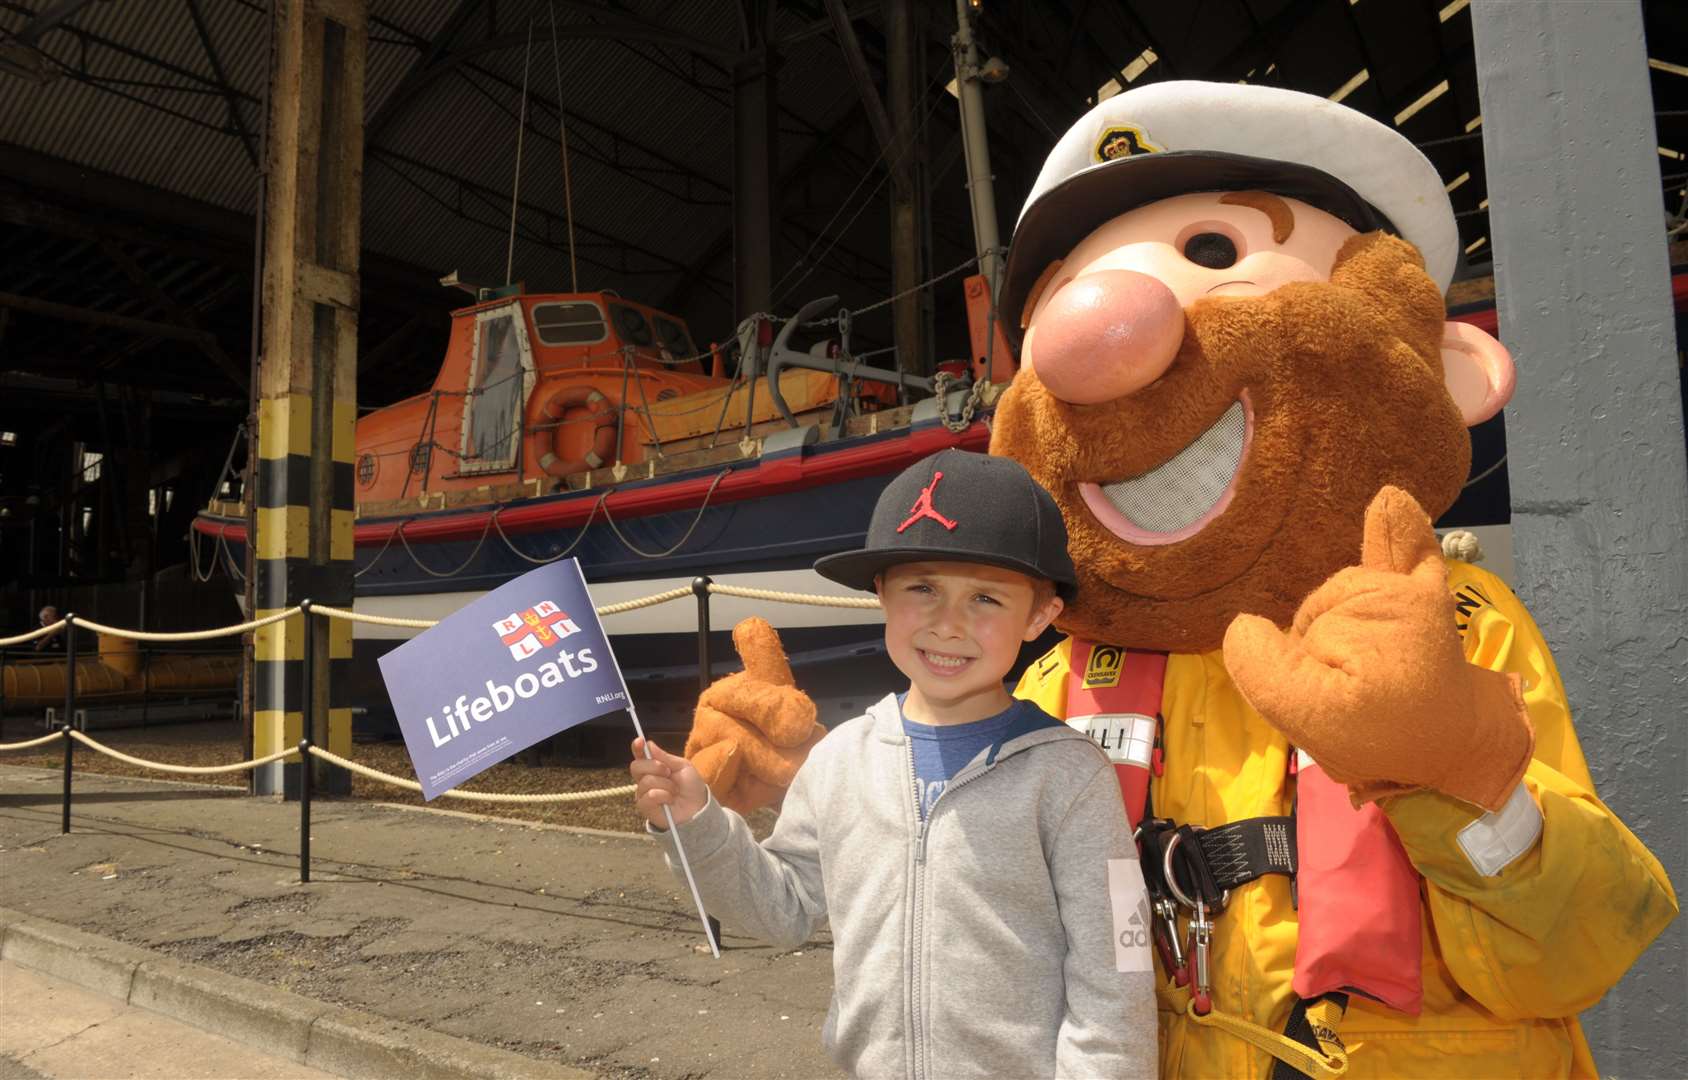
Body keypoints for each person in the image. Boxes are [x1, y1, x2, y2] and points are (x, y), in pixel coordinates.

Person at [679, 81, 1677, 1078]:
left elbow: (1576, 954)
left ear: (1448, 367)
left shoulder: (1452, 628)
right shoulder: (1057, 680)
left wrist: (1469, 785)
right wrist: (845, 795)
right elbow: (975, 906)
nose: (1095, 342)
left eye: (1214, 257)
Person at [631, 449, 1156, 1080]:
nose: (948, 623)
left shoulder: (1069, 777)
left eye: (986, 597)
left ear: (1039, 616)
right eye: (923, 588)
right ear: (881, 591)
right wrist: (696, 824)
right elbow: (782, 908)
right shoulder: (839, 760)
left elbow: (1115, 981)